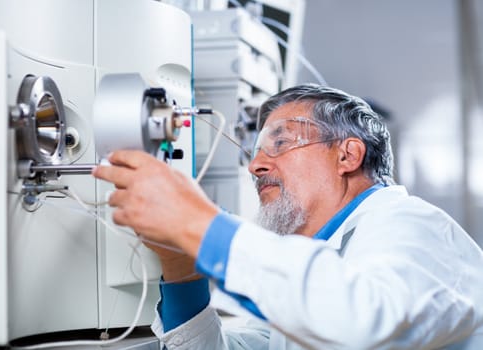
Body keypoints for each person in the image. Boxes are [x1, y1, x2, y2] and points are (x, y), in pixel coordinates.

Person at [92, 84, 483, 349]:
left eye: (279, 143)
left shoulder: (414, 226)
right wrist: (182, 269)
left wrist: (200, 224)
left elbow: (364, 321)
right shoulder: (313, 270)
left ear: (348, 155)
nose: (256, 166)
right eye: (256, 150)